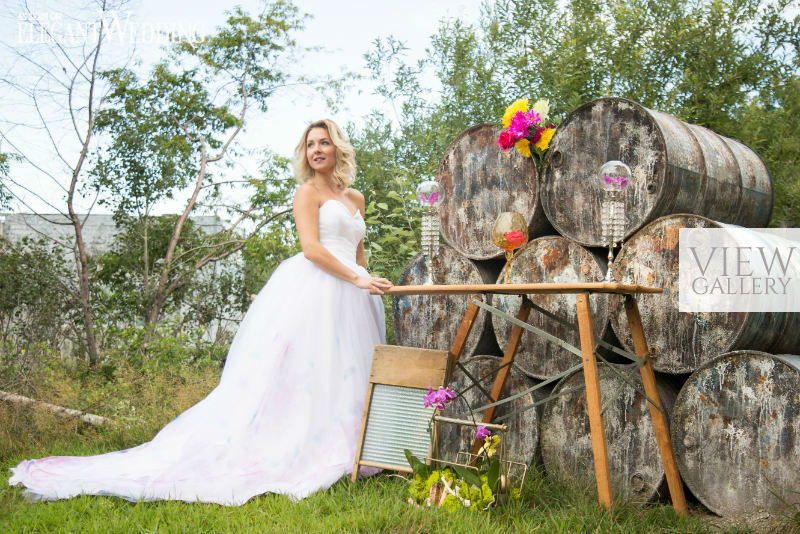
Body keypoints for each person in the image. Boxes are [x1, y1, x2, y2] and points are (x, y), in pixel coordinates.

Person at [8, 119, 393, 505]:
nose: (317, 150)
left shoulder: (354, 198)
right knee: (310, 371)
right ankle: (302, 447)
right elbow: (311, 248)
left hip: (353, 293)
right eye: (311, 144)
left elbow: (357, 253)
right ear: (305, 153)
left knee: (348, 369)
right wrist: (354, 279)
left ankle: (353, 448)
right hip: (319, 288)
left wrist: (366, 279)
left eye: (324, 142)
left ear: (338, 147)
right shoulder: (306, 193)